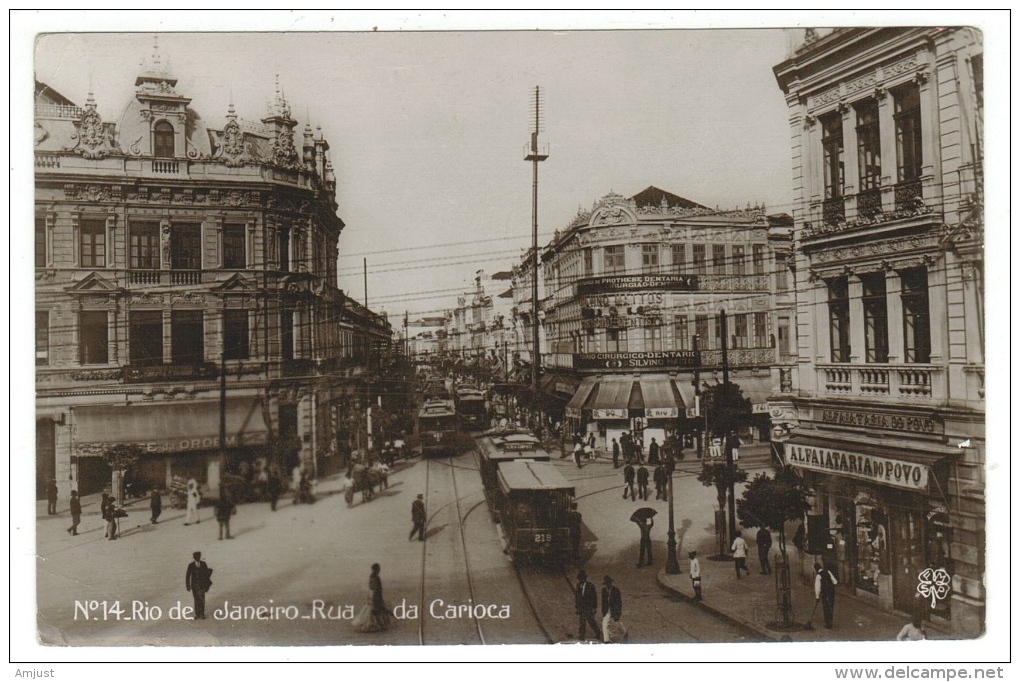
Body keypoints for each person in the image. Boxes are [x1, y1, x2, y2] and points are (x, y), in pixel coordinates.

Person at [353, 563, 392, 632]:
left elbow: (371, 587)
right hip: (376, 595)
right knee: (377, 610)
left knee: (373, 610)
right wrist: (376, 596)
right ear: (375, 569)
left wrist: (371, 595)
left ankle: (379, 625)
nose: (379, 570)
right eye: (378, 569)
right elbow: (377, 588)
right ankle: (379, 625)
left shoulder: (371, 577)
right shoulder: (376, 577)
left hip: (372, 594)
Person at [574, 570, 601, 642]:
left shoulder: (590, 586)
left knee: (591, 621)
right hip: (582, 608)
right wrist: (577, 607)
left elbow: (594, 597)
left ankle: (598, 632)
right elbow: (577, 597)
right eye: (580, 579)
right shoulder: (578, 585)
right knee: (582, 623)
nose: (581, 580)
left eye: (582, 579)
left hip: (589, 607)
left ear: (585, 578)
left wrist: (594, 608)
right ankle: (581, 637)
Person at [185, 551, 213, 620]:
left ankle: (202, 614)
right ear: (194, 557)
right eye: (196, 557)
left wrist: (207, 585)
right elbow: (188, 576)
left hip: (202, 585)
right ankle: (197, 614)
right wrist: (188, 586)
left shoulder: (203, 564)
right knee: (196, 599)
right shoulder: (191, 565)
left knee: (202, 599)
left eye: (198, 556)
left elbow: (206, 575)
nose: (198, 558)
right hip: (194, 586)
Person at [814, 562, 838, 629]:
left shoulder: (818, 576)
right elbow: (835, 581)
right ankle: (830, 622)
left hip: (825, 593)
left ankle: (828, 623)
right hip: (831, 592)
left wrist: (817, 597)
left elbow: (817, 588)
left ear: (816, 569)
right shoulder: (828, 572)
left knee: (826, 607)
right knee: (831, 606)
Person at [601, 575, 624, 643]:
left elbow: (619, 603)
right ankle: (606, 640)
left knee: (618, 624)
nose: (608, 584)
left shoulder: (616, 590)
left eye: (609, 583)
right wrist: (603, 612)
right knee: (604, 624)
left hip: (614, 610)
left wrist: (618, 613)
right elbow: (603, 602)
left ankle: (624, 632)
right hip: (607, 610)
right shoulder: (603, 590)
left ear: (611, 583)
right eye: (607, 583)